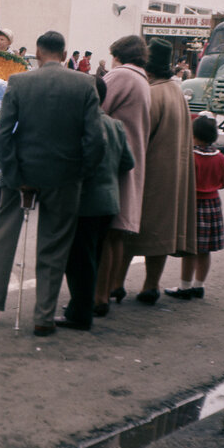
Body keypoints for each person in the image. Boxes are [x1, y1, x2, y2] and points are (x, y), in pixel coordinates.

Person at [0, 30, 104, 336]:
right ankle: (43, 316)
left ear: (39, 54)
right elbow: (95, 140)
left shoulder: (20, 81)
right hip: (65, 176)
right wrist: (79, 173)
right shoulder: (85, 84)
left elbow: (1, 136)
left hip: (23, 173)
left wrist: (16, 177)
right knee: (54, 245)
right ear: (65, 54)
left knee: (3, 234)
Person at [124, 37, 197, 303]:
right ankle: (150, 284)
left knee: (129, 232)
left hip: (150, 175)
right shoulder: (176, 91)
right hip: (173, 175)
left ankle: (114, 284)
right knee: (161, 235)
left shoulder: (151, 93)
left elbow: (137, 138)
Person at [59, 76, 134, 330]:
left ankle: (79, 313)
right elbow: (128, 163)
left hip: (86, 202)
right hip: (109, 201)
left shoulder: (83, 125)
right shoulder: (116, 125)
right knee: (93, 256)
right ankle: (82, 306)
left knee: (78, 260)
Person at [93, 35, 150, 314]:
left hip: (113, 162)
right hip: (132, 159)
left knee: (105, 234)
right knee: (116, 233)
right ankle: (112, 286)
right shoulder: (142, 79)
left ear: (118, 55)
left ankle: (99, 296)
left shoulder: (121, 76)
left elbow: (96, 106)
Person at [165, 115, 224, 301]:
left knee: (190, 248)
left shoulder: (191, 156)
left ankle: (184, 287)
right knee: (205, 249)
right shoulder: (220, 157)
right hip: (213, 203)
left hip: (194, 204)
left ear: (193, 134)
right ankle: (199, 285)